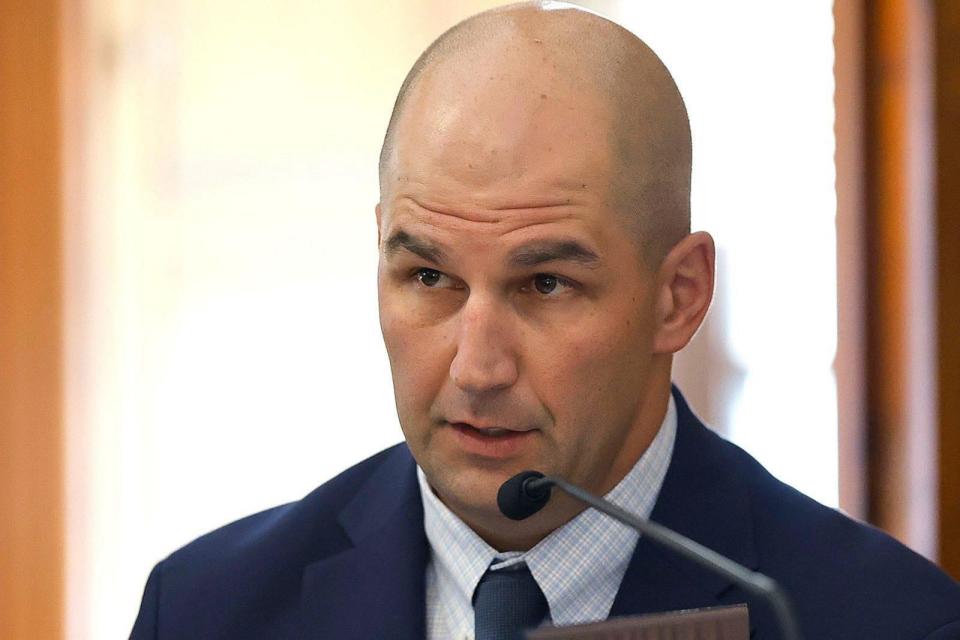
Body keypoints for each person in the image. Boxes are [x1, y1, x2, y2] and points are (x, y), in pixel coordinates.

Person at [130, 3, 960, 639]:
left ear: (679, 296)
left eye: (546, 286)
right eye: (428, 276)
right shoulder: (210, 610)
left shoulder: (880, 619)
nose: (476, 369)